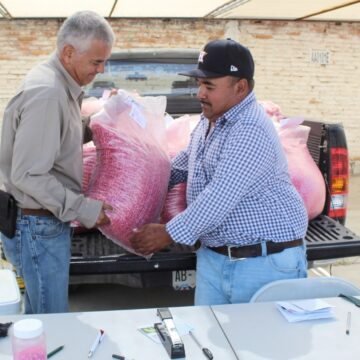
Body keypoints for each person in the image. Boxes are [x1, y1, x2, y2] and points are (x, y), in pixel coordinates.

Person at [130, 38, 309, 305]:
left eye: (209, 86)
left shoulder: (250, 129)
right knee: (212, 343)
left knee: (258, 346)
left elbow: (219, 196)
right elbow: (184, 164)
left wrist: (167, 232)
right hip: (215, 257)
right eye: (199, 84)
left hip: (262, 264)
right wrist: (140, 185)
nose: (200, 93)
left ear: (240, 87)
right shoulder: (210, 119)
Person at [0, 11, 115, 314]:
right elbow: (29, 175)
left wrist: (102, 126)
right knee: (50, 320)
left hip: (38, 221)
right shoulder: (48, 94)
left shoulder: (59, 84)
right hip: (36, 224)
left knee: (41, 314)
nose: (101, 70)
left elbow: (57, 138)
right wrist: (85, 209)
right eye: (95, 62)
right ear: (68, 52)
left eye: (105, 61)